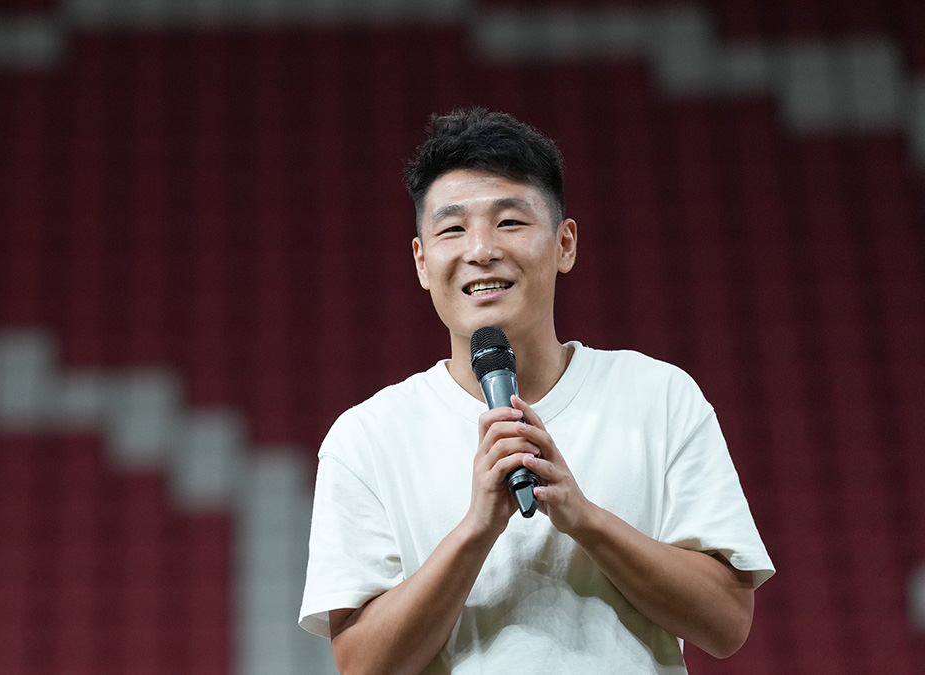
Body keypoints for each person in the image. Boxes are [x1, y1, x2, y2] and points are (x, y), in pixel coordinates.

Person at [298, 108, 774, 674]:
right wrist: (476, 530)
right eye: (452, 229)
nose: (480, 250)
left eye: (509, 222)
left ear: (565, 244)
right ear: (422, 262)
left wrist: (583, 517)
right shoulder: (367, 437)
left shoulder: (659, 396)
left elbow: (727, 623)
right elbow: (360, 665)